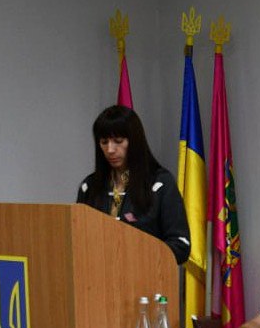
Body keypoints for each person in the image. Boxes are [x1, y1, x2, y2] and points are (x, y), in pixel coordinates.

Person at [77, 105, 190, 264]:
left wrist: (135, 254)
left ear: (135, 141)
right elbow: (78, 241)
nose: (110, 149)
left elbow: (180, 245)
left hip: (147, 275)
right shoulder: (89, 187)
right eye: (104, 142)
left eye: (118, 141)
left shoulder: (160, 183)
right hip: (97, 276)